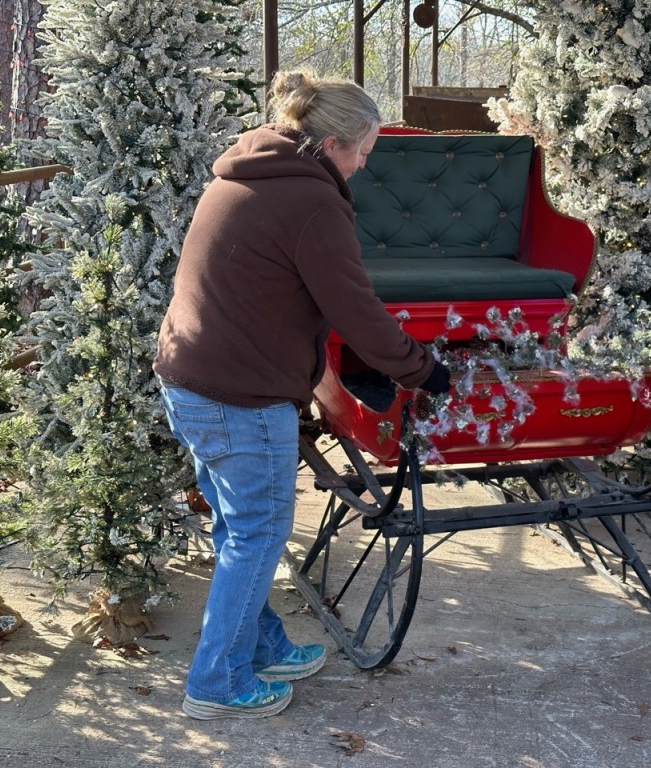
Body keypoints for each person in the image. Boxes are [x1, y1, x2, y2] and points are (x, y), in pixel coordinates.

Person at [153, 70, 450, 720]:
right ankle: (219, 683)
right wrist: (420, 371)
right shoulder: (311, 201)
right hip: (240, 395)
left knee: (240, 527)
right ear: (332, 143)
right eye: (365, 149)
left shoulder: (250, 171)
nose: (367, 162)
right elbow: (357, 310)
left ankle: (257, 645)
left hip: (191, 379)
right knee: (258, 533)